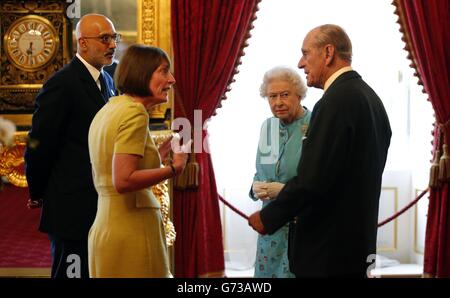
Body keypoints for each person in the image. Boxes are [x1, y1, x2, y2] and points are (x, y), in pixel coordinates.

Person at [248, 24, 392, 278]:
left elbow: (313, 179)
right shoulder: (369, 97)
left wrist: (269, 217)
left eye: (306, 53)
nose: (301, 63)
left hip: (329, 247)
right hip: (356, 240)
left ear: (328, 53)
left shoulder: (333, 102)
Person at [24, 14, 118, 278]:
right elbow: (38, 143)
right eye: (104, 38)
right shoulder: (61, 84)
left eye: (114, 38)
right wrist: (37, 190)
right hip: (71, 207)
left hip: (98, 203)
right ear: (83, 43)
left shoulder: (107, 81)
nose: (112, 44)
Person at [87, 44, 189, 278]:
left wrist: (157, 157)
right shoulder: (135, 113)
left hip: (107, 227)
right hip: (131, 231)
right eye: (164, 71)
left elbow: (111, 167)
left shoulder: (111, 109)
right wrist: (175, 168)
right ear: (142, 73)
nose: (171, 79)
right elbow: (123, 180)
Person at [250, 66, 311, 278]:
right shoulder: (268, 127)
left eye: (285, 95)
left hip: (301, 226)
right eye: (272, 96)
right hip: (270, 227)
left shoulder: (314, 125)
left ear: (299, 95)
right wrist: (255, 187)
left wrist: (284, 190)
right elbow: (261, 170)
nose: (278, 103)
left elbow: (317, 179)